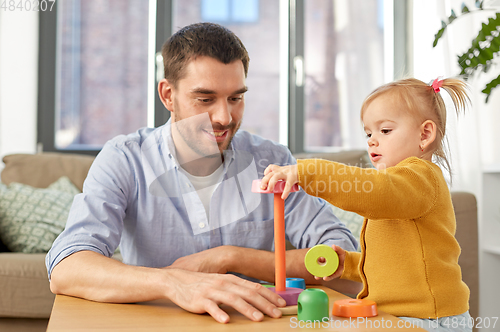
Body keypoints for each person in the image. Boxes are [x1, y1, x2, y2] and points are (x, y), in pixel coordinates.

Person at [46, 22, 358, 324]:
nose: (225, 117)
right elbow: (67, 267)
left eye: (235, 98)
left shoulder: (272, 160)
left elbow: (342, 256)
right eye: (205, 99)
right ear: (168, 95)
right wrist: (173, 282)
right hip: (157, 323)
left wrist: (230, 257)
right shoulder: (125, 159)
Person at [261, 77, 472, 331]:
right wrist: (348, 264)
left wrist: (309, 172)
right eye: (368, 133)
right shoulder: (399, 187)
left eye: (385, 131)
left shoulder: (420, 178)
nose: (372, 140)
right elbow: (391, 261)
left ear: (425, 134)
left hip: (430, 319)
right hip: (401, 316)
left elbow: (373, 191)